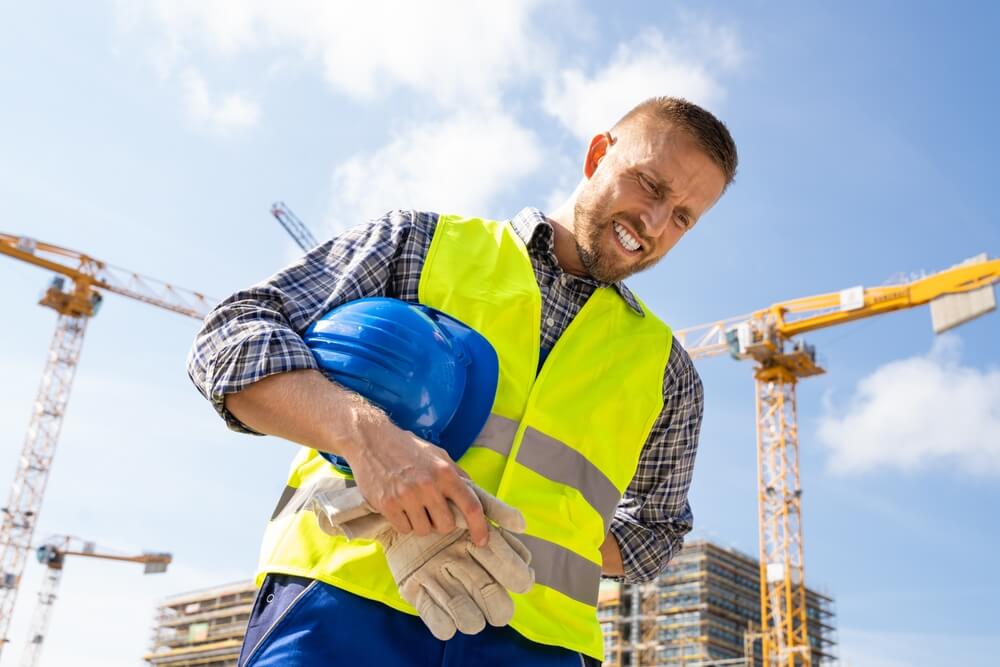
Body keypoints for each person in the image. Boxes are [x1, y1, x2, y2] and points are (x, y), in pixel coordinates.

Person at [187, 96, 737, 667]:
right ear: (599, 153)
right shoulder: (418, 245)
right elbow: (230, 338)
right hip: (340, 603)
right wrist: (367, 441)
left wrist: (506, 538)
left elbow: (657, 531)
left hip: (536, 645)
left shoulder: (670, 373)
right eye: (649, 184)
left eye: (681, 217)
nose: (653, 223)